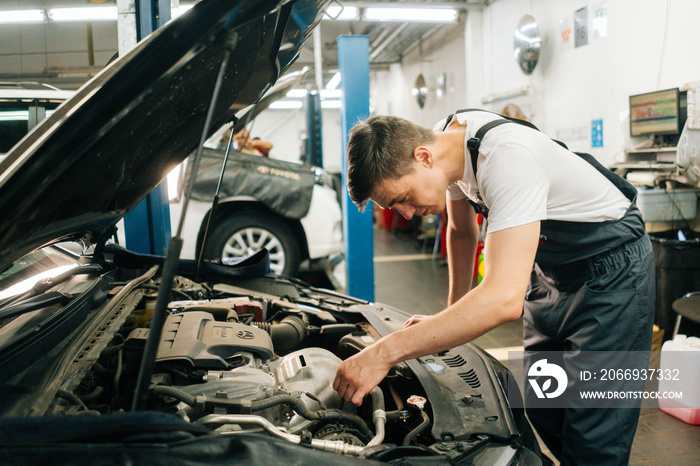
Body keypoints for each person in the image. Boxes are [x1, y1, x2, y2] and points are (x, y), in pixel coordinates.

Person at [332, 110, 655, 465]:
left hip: (612, 274)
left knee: (594, 434)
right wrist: (451, 315)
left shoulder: (506, 159)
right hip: (551, 273)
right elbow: (461, 230)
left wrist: (383, 352)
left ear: (422, 157)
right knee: (542, 404)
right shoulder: (447, 144)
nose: (406, 214)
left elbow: (503, 300)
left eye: (403, 197)